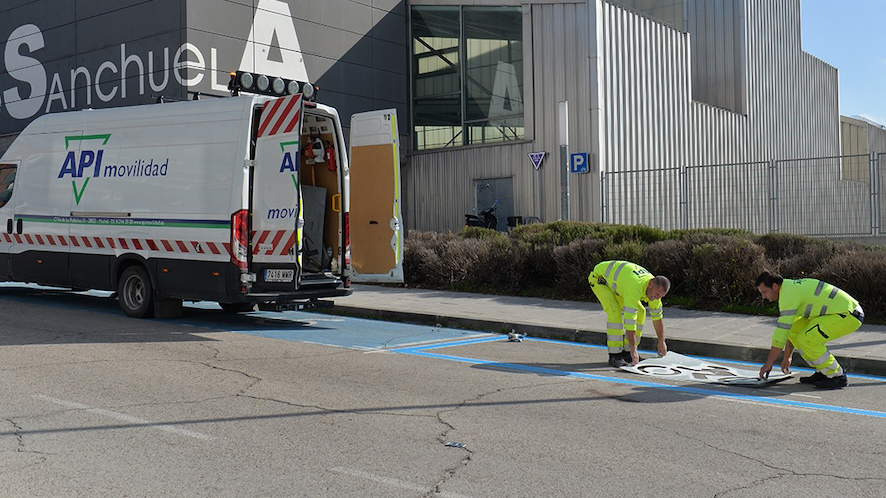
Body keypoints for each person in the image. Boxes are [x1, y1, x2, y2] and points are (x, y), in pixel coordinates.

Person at [755, 271, 863, 389]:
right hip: (839, 313)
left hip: (848, 315)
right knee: (796, 329)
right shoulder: (789, 289)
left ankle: (837, 376)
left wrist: (769, 363)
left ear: (775, 286)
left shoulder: (788, 295)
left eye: (764, 292)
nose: (763, 297)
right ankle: (823, 371)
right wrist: (787, 358)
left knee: (807, 339)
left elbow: (780, 334)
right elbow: (790, 329)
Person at [588, 260, 670, 367]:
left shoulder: (654, 290)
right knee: (615, 312)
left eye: (660, 296)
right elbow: (629, 320)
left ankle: (627, 354)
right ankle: (615, 355)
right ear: (650, 284)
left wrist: (661, 341)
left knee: (641, 312)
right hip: (600, 279)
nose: (657, 298)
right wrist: (634, 348)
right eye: (657, 294)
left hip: (619, 285)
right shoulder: (635, 286)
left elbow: (657, 318)